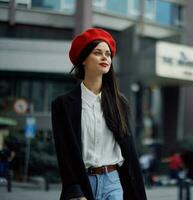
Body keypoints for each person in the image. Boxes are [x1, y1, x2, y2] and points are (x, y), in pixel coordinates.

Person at [51, 28, 147, 200]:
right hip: (83, 183)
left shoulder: (120, 103)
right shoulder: (63, 105)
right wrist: (74, 191)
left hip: (113, 182)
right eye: (98, 53)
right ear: (83, 60)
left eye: (108, 54)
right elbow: (64, 153)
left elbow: (129, 151)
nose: (105, 58)